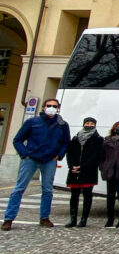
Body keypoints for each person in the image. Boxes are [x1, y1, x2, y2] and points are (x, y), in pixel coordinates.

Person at [3, 98, 70, 230]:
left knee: (47, 190)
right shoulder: (32, 122)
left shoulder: (62, 124)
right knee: (19, 189)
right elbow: (17, 140)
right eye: (49, 105)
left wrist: (59, 156)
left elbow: (66, 143)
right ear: (44, 107)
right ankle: (8, 219)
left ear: (58, 108)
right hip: (31, 159)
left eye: (54, 106)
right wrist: (25, 154)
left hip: (50, 160)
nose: (51, 108)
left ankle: (44, 218)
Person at [64, 117, 104, 228]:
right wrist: (71, 166)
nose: (89, 124)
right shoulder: (75, 138)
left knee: (87, 196)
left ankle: (83, 219)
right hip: (74, 171)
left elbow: (96, 155)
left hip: (88, 171)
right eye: (87, 123)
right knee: (74, 196)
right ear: (83, 124)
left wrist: (83, 167)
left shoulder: (98, 139)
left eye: (92, 123)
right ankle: (73, 219)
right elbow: (69, 153)